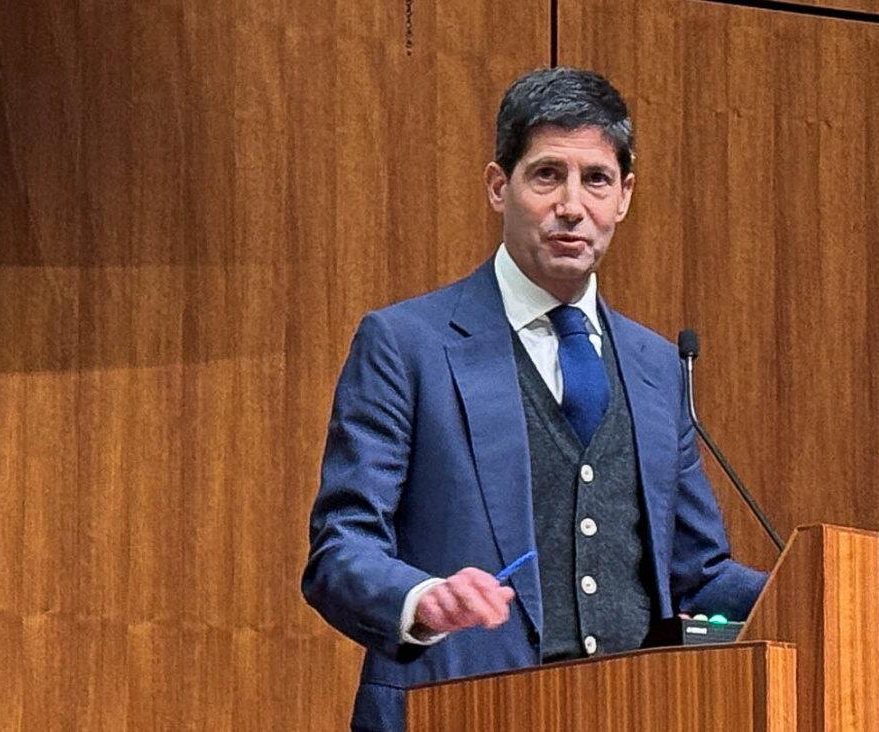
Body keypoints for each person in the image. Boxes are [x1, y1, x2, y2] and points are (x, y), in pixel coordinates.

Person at [301, 67, 767, 732]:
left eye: (596, 179)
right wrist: (422, 599)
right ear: (500, 187)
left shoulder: (658, 368)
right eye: (548, 175)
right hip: (456, 712)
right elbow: (341, 550)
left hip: (635, 713)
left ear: (625, 196)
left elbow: (696, 574)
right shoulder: (406, 345)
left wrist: (816, 592)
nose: (572, 205)